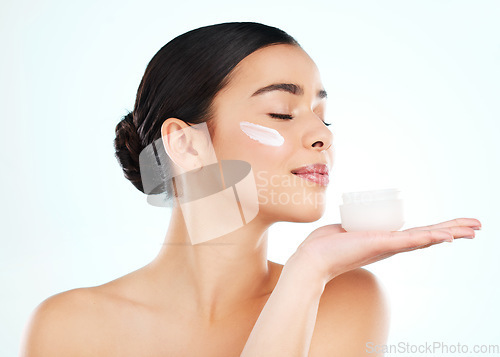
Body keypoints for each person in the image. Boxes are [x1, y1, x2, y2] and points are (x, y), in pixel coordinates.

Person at [20, 22, 481, 357]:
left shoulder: (343, 299)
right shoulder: (68, 327)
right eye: (282, 112)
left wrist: (308, 272)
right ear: (184, 142)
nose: (323, 136)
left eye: (324, 116)